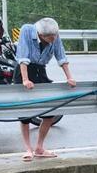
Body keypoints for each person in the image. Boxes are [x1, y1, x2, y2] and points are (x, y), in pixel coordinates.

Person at [15, 17, 76, 161]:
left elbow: (61, 56)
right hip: (24, 70)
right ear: (41, 35)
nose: (53, 39)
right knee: (25, 115)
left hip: (40, 70)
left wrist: (70, 77)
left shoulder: (54, 35)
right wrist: (25, 79)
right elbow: (22, 56)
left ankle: (39, 147)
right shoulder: (27, 30)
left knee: (50, 113)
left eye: (55, 36)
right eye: (50, 37)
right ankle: (28, 149)